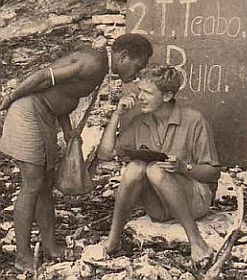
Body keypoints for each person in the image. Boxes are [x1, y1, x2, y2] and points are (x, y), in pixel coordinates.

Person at [0, 33, 153, 272]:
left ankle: (50, 246)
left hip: (45, 116)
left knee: (45, 183)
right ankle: (22, 256)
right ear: (123, 56)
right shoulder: (94, 64)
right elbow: (42, 77)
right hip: (27, 113)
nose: (138, 74)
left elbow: (60, 95)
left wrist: (69, 132)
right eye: (138, 66)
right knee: (32, 184)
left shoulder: (101, 67)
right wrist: (8, 100)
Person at [97, 64, 221, 267]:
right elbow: (105, 154)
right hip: (159, 207)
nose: (141, 97)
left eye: (147, 92)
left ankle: (197, 242)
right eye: (140, 91)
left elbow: (213, 173)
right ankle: (113, 240)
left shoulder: (194, 120)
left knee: (155, 170)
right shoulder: (140, 122)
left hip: (194, 200)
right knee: (136, 167)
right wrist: (117, 114)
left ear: (167, 96)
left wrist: (184, 168)